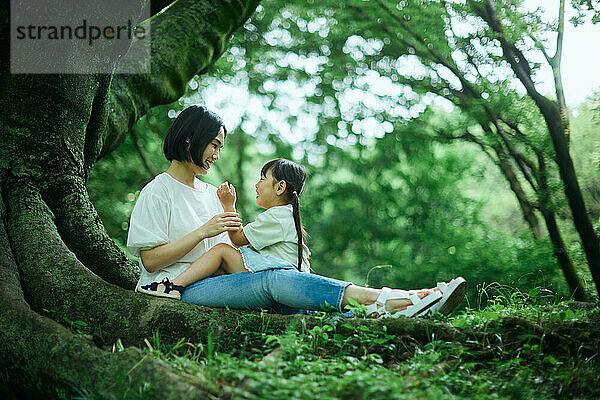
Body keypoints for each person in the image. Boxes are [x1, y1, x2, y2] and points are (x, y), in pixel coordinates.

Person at [126, 105, 467, 318]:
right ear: (190, 141)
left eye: (220, 146)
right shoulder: (158, 191)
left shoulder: (211, 195)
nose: (216, 153)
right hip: (176, 288)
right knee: (274, 282)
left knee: (287, 291)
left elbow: (233, 250)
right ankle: (392, 301)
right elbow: (151, 261)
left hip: (222, 282)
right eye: (214, 144)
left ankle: (404, 305)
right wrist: (202, 232)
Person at [137, 158, 312, 300]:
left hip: (273, 277)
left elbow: (236, 239)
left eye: (262, 179)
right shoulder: (286, 216)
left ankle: (173, 285)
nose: (256, 185)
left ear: (280, 187)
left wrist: (228, 205)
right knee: (221, 264)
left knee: (221, 251)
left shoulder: (277, 215)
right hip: (277, 275)